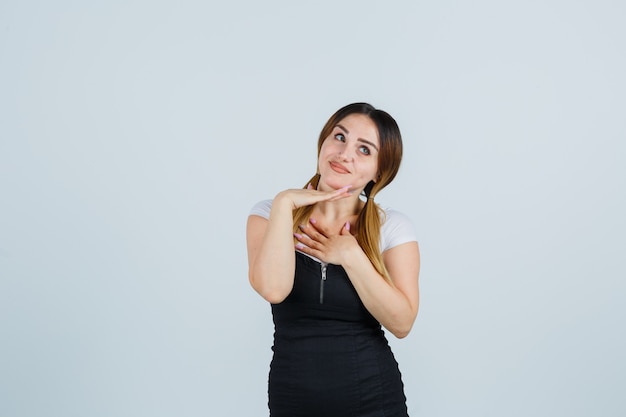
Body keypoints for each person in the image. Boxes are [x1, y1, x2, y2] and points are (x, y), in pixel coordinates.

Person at [246, 102, 421, 417]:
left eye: (364, 150)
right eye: (339, 137)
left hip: (375, 402)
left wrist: (351, 255)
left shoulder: (392, 227)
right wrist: (285, 204)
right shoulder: (268, 214)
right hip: (293, 402)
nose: (345, 153)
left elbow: (402, 322)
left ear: (379, 171)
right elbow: (273, 289)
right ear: (323, 142)